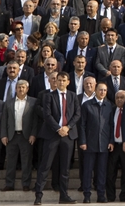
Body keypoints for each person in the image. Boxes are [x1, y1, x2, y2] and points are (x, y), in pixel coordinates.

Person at [34, 72, 79, 206]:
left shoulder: (73, 96)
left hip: (68, 135)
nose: (61, 82)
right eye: (58, 80)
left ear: (68, 82)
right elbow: (47, 115)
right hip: (52, 134)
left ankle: (64, 195)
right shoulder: (48, 96)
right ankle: (38, 196)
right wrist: (58, 129)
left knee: (65, 167)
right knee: (45, 165)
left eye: (63, 80)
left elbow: (77, 114)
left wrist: (67, 127)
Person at [79, 79, 114, 204]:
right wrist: (83, 141)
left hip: (104, 144)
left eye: (105, 90)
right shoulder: (87, 105)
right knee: (88, 171)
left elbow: (111, 125)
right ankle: (87, 195)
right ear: (95, 90)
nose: (102, 92)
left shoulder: (109, 106)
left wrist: (111, 141)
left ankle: (101, 195)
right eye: (100, 90)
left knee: (102, 171)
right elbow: (82, 125)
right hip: (90, 143)